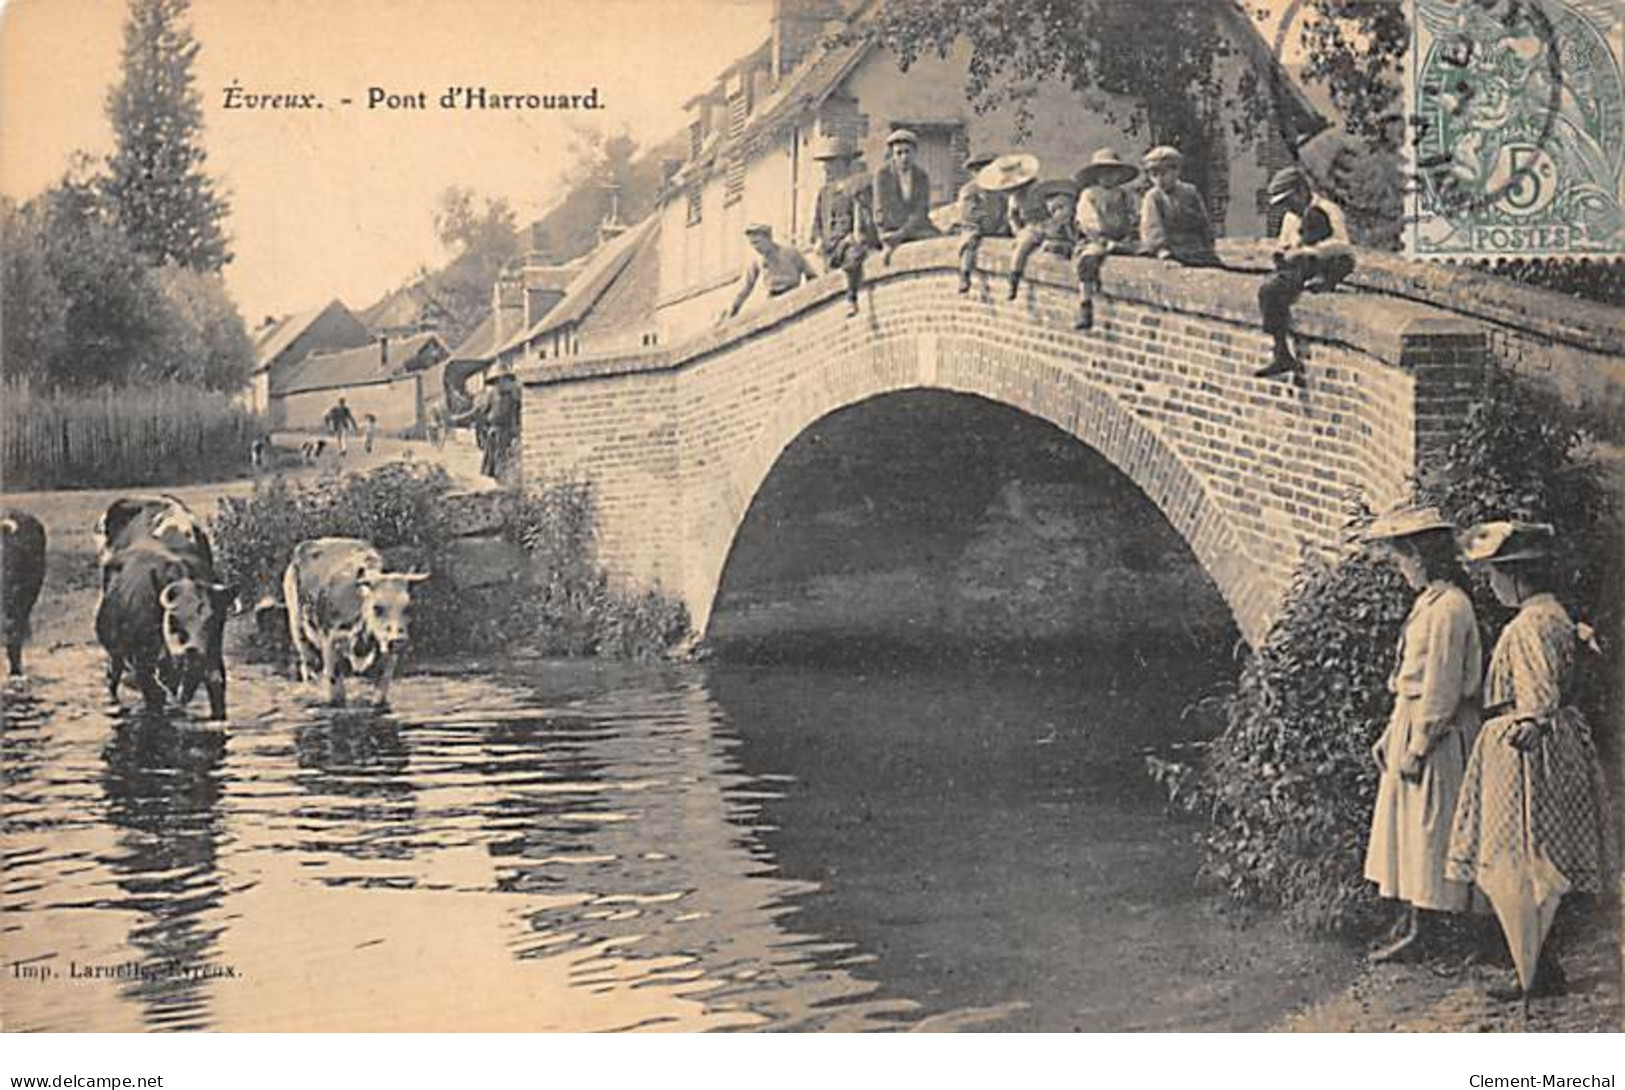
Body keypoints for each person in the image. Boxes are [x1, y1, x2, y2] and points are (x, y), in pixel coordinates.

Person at [1447, 522, 1612, 1003]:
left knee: (1519, 857)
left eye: (1496, 574)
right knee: (1540, 855)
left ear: (1517, 577)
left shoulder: (1528, 626)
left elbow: (1538, 692)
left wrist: (1533, 724)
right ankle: (1539, 964)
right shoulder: (1557, 614)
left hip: (1526, 749)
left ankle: (1532, 973)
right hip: (1556, 740)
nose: (1492, 584)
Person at [1362, 503, 1484, 963]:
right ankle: (1416, 922)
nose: (1400, 568)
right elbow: (1412, 683)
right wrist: (1392, 733)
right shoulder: (1429, 603)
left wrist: (1418, 745)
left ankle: (1437, 929)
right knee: (1411, 830)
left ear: (1420, 554)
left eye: (1402, 558)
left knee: (1434, 829)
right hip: (1412, 722)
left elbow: (1441, 686)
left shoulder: (1450, 608)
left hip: (1440, 734)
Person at [1255, 166, 1356, 379]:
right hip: (1301, 269)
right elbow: (1284, 243)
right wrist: (1283, 253)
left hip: (1326, 264)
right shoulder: (1291, 218)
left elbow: (1343, 246)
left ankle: (1321, 282)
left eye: (1289, 201)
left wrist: (1307, 252)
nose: (1288, 208)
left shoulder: (1327, 210)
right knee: (1269, 291)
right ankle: (1280, 350)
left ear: (1302, 191)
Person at [1072, 149, 1141, 330]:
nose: (1109, 177)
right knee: (1088, 260)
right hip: (1098, 239)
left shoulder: (1125, 195)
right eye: (1104, 172)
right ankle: (1085, 304)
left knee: (1143, 251)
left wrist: (1130, 230)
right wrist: (1100, 236)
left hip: (1122, 239)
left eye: (1113, 172)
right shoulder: (1090, 194)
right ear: (1096, 175)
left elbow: (1133, 216)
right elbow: (1088, 220)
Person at [810, 135, 875, 318]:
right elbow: (817, 221)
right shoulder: (824, 192)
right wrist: (818, 240)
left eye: (831, 162)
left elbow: (866, 215)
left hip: (849, 242)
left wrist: (856, 235)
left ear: (844, 163)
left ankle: (851, 298)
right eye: (825, 163)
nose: (827, 168)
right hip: (830, 248)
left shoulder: (859, 186)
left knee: (854, 256)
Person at [1139, 146, 1220, 268]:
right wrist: (1163, 252)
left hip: (1196, 249)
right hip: (1172, 250)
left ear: (1176, 171)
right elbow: (1152, 228)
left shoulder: (1190, 192)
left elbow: (1203, 223)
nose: (1159, 180)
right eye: (1154, 175)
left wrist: (1208, 246)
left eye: (1164, 173)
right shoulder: (1153, 197)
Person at [721, 223, 816, 322]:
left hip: (793, 295)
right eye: (752, 244)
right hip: (773, 300)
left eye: (757, 242)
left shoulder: (791, 253)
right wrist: (733, 310)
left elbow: (811, 276)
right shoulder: (757, 261)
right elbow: (746, 288)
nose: (755, 247)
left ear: (768, 239)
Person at [871, 129, 939, 265]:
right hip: (891, 228)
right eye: (899, 153)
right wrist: (888, 234)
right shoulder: (882, 176)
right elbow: (880, 210)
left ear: (915, 153)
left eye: (908, 152)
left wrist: (903, 233)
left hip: (913, 228)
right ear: (892, 155)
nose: (904, 157)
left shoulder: (921, 176)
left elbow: (921, 210)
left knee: (940, 242)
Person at [449, 360, 522, 483]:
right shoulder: (491, 395)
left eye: (504, 380)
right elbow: (478, 411)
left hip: (509, 432)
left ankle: (507, 483)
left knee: (508, 460)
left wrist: (517, 430)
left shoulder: (514, 395)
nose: (500, 384)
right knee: (495, 461)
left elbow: (519, 413)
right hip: (495, 432)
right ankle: (500, 482)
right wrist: (459, 418)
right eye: (497, 381)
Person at [1006, 179, 1078, 301]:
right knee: (1023, 246)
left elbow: (1052, 213)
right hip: (1033, 227)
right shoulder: (1014, 198)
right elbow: (1013, 217)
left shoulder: (1038, 190)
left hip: (1048, 225)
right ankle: (1014, 277)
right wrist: (1018, 231)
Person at [952, 151, 1010, 294]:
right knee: (970, 240)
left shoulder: (1000, 191)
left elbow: (1005, 210)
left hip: (997, 227)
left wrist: (1003, 224)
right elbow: (969, 215)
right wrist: (983, 224)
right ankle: (965, 273)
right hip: (975, 226)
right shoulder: (970, 191)